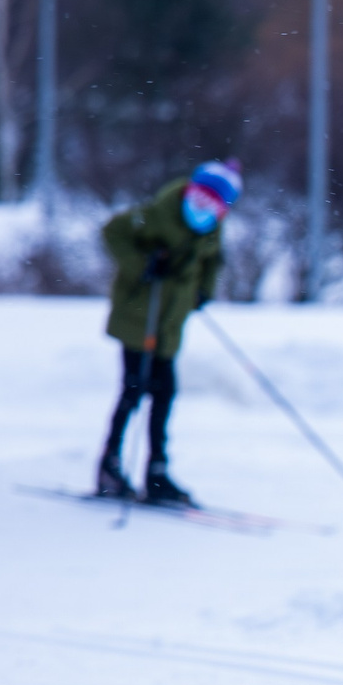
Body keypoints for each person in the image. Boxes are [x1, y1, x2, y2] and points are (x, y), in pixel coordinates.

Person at [95, 160, 240, 506]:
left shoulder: (211, 230)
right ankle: (109, 466)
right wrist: (142, 264)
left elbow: (212, 261)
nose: (202, 209)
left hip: (171, 322)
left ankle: (157, 471)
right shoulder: (156, 214)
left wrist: (203, 292)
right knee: (133, 390)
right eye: (199, 199)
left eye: (212, 206)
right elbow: (112, 232)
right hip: (139, 317)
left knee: (165, 393)